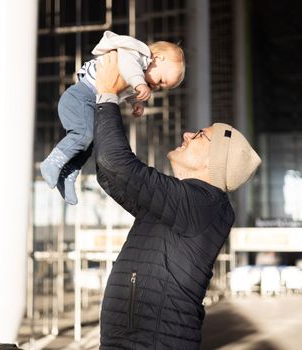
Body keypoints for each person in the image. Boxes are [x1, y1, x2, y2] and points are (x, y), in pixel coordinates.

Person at [93, 51, 261, 350]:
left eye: (199, 136)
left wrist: (107, 95)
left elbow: (119, 165)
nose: (186, 134)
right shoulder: (184, 205)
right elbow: (110, 175)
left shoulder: (202, 205)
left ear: (215, 162)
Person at [40, 31, 185, 205]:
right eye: (161, 80)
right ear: (159, 58)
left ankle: (68, 173)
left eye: (162, 87)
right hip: (79, 96)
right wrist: (139, 83)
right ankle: (51, 162)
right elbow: (128, 66)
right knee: (84, 135)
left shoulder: (137, 75)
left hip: (89, 104)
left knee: (89, 143)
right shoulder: (137, 53)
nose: (157, 86)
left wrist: (134, 101)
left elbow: (126, 84)